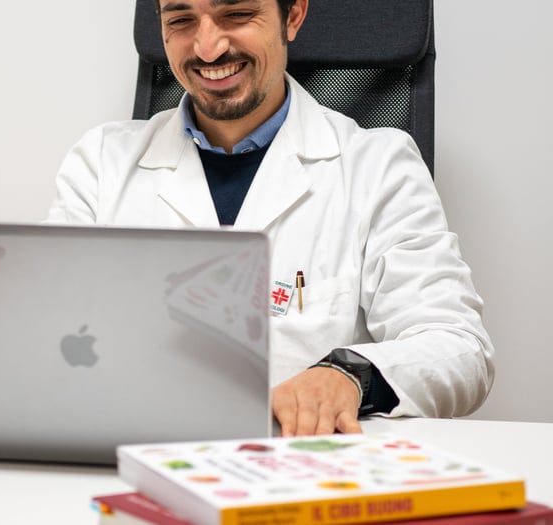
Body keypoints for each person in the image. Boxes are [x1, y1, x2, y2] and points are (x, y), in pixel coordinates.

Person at [46, 0, 494, 436]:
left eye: (236, 14)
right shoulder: (102, 162)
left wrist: (349, 375)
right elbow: (46, 330)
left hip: (299, 472)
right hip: (134, 452)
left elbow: (460, 348)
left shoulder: (378, 165)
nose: (207, 48)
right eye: (181, 19)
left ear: (293, 15)